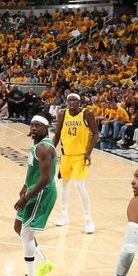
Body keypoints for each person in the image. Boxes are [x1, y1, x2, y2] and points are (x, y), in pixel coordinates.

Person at [11, 113, 57, 276]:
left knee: (26, 234)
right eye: (32, 125)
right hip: (33, 189)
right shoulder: (37, 145)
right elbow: (35, 171)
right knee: (18, 227)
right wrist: (24, 185)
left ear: (46, 128)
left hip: (41, 193)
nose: (34, 128)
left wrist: (25, 198)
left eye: (38, 125)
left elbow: (45, 179)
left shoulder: (43, 148)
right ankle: (44, 263)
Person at [52, 92, 99, 233]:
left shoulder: (87, 113)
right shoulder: (62, 114)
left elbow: (96, 133)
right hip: (66, 156)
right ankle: (64, 214)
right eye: (69, 100)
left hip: (80, 156)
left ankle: (88, 219)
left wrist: (89, 153)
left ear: (80, 102)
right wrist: (50, 149)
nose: (71, 102)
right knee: (63, 185)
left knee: (79, 186)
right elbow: (58, 133)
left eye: (74, 100)